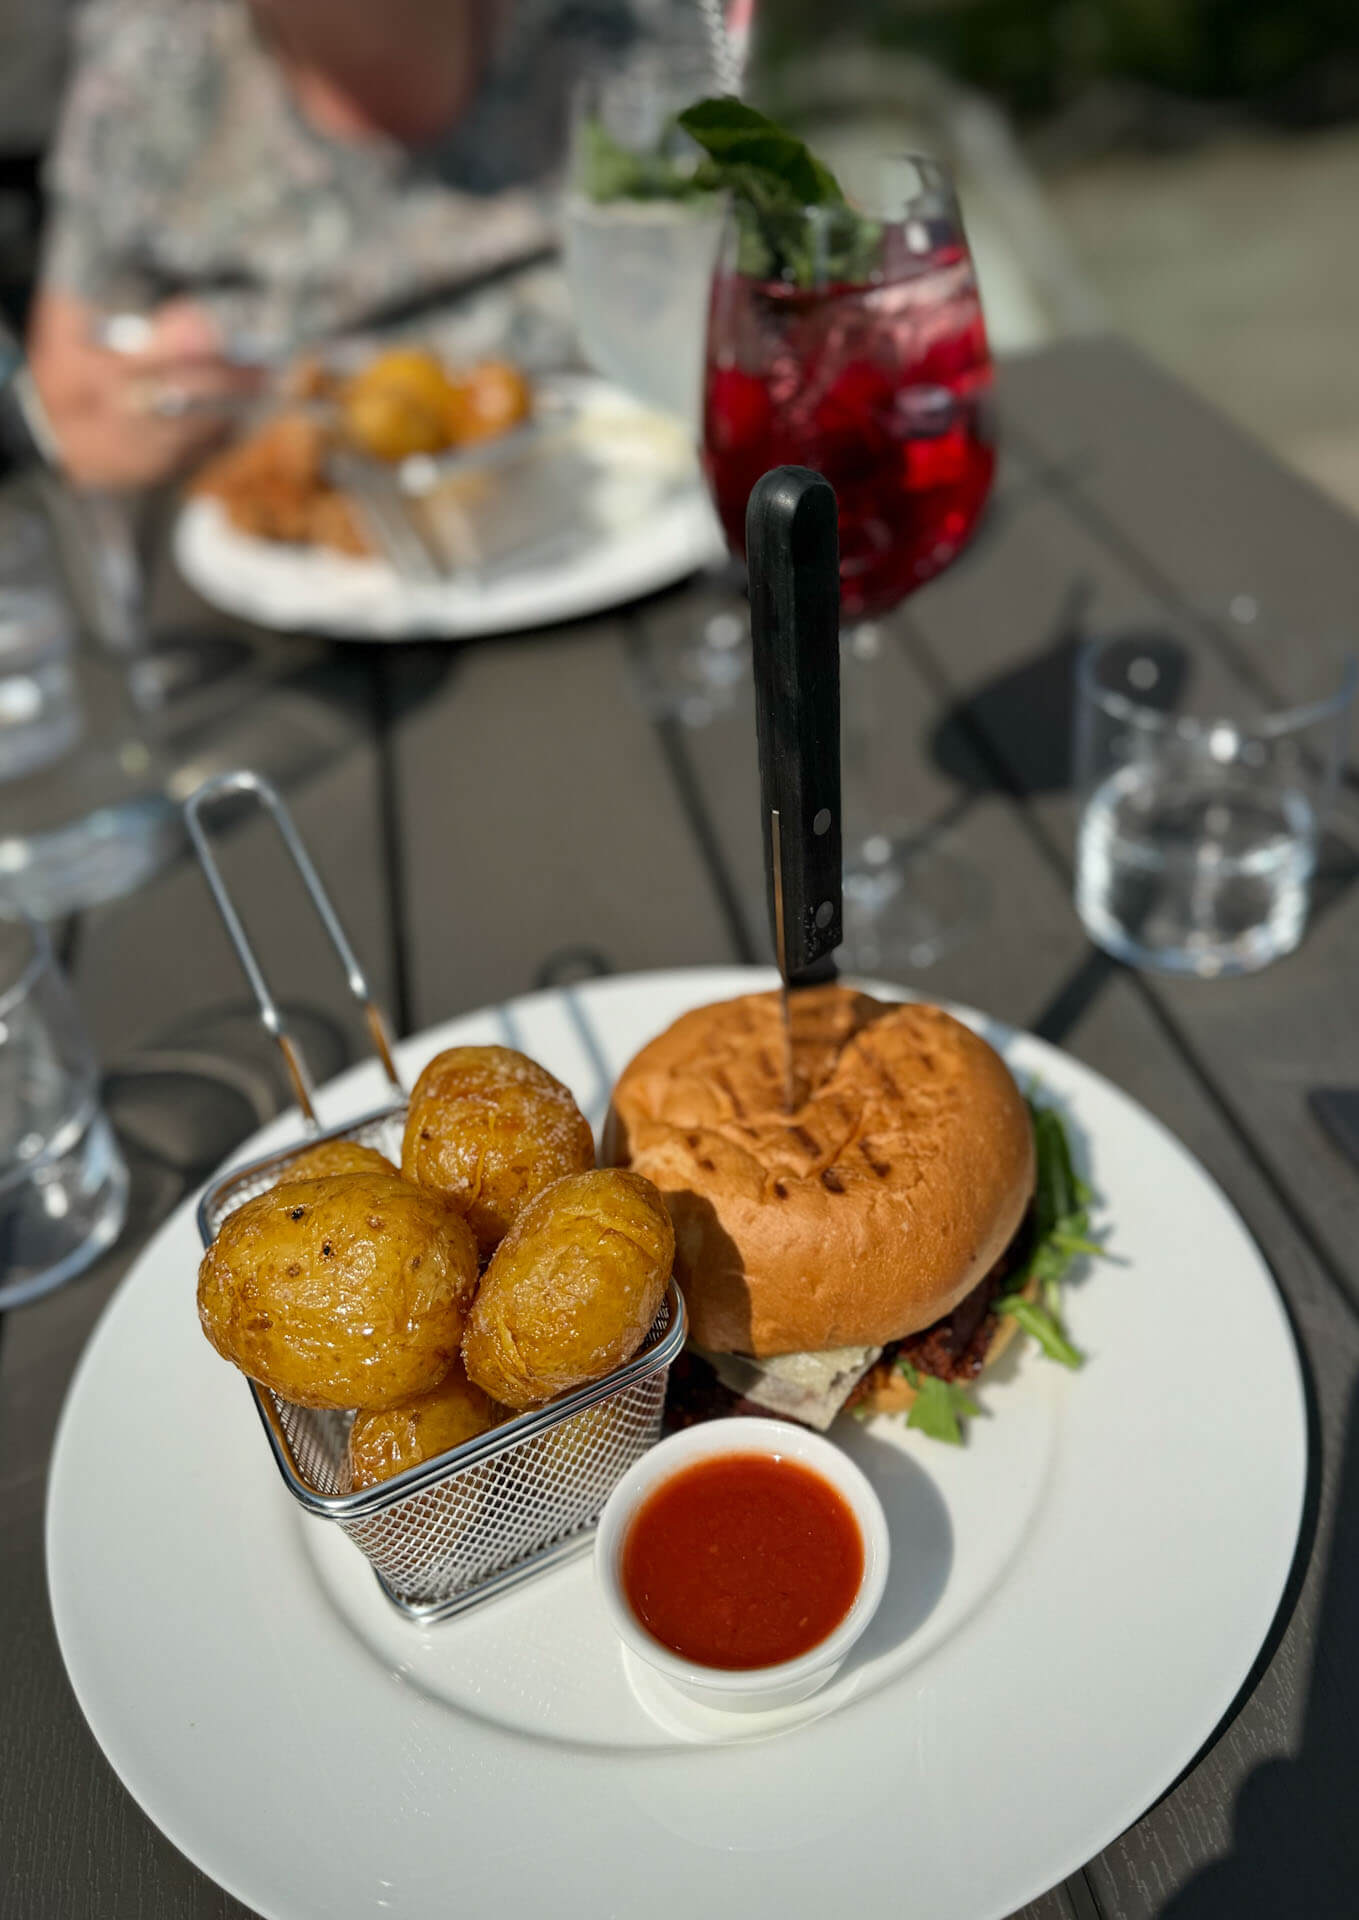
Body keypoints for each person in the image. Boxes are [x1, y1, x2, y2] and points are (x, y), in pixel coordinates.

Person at [27, 0, 707, 488]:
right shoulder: (147, 50)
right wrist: (148, 411)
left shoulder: (636, 26)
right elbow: (74, 403)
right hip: (297, 600)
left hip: (645, 514)